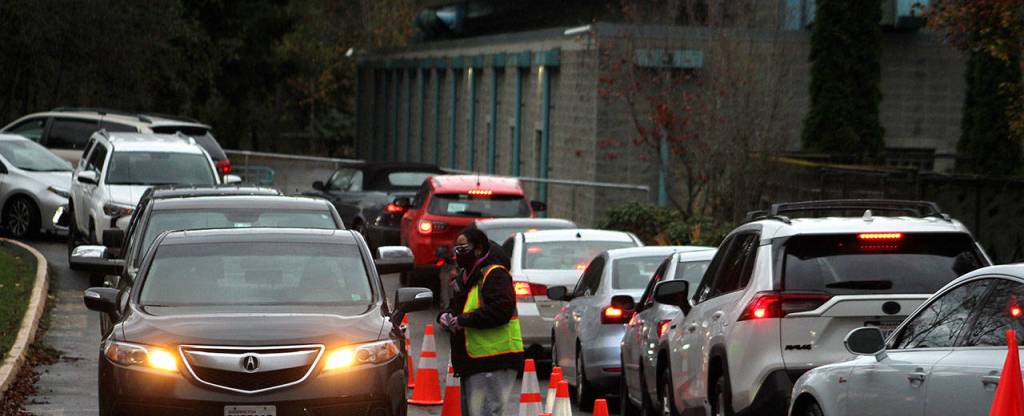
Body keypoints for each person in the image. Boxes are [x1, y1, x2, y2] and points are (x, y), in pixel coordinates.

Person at [438, 228, 524, 416]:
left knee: (486, 412)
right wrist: (445, 316)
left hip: (495, 359)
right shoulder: (465, 276)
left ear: (478, 249)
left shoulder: (494, 274)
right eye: (456, 249)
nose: (457, 254)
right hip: (472, 360)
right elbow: (456, 307)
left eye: (462, 248)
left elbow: (501, 310)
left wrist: (463, 320)